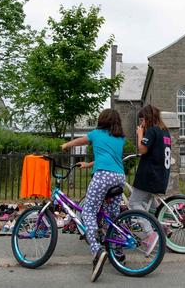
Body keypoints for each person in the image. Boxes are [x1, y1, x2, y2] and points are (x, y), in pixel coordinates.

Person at [60, 108, 125, 283]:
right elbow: (109, 157)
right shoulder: (120, 138)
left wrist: (66, 145)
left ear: (102, 120)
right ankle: (118, 251)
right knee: (113, 215)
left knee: (88, 211)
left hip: (103, 176)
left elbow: (81, 140)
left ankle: (97, 250)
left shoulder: (96, 134)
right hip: (119, 177)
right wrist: (89, 164)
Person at [129, 104, 172, 253]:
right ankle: (163, 227)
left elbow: (142, 149)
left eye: (142, 120)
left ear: (147, 118)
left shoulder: (152, 130)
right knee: (151, 205)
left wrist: (140, 133)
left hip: (149, 174)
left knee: (134, 202)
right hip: (161, 175)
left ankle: (150, 234)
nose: (141, 123)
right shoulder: (165, 131)